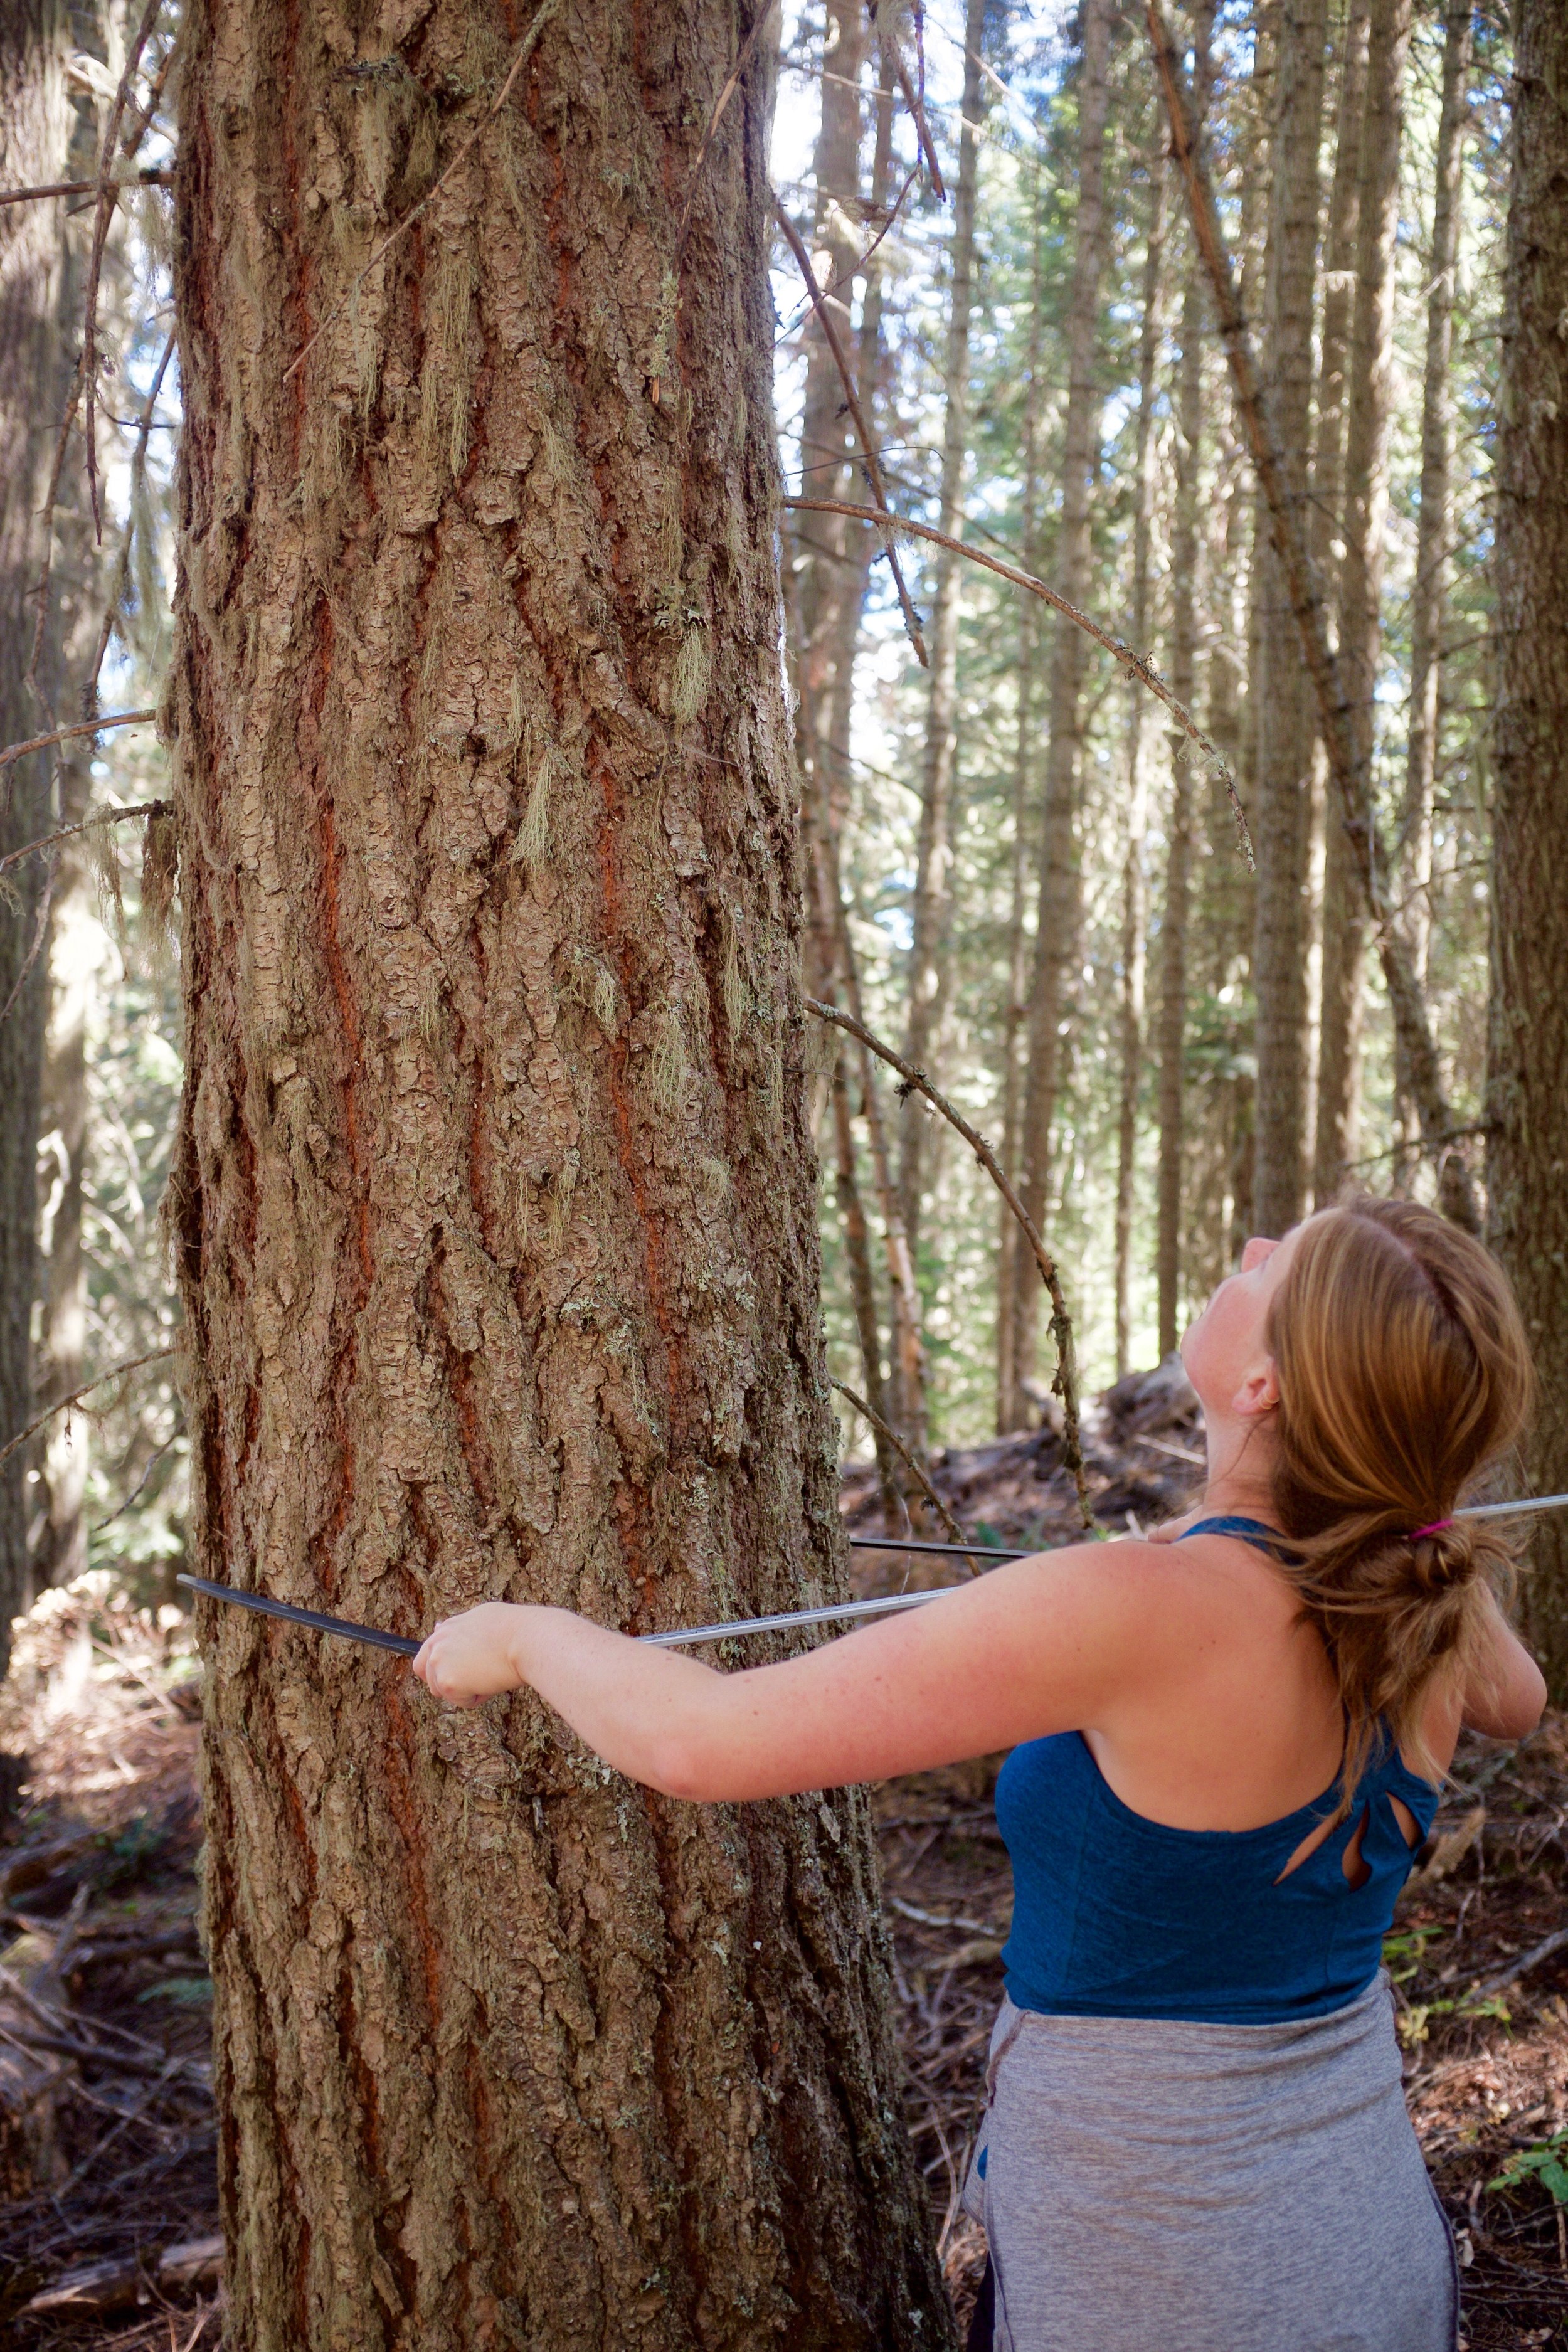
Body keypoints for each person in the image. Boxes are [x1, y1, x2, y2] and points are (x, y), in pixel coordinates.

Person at [413, 1197, 1545, 2351]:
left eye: (1278, 1266)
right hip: (1366, 2244)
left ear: (1265, 1385)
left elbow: (705, 1740)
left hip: (1163, 2280)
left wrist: (525, 1634)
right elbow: (1520, 1696)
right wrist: (1361, 1508)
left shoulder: (1135, 1611)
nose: (1250, 1251)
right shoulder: (1430, 1592)